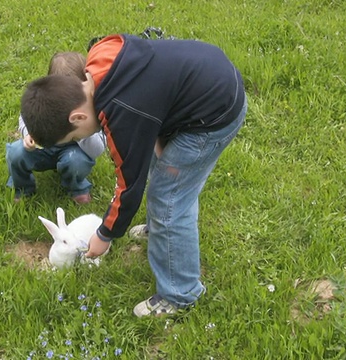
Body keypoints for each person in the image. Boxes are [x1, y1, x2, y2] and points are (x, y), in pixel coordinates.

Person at [20, 34, 247, 317]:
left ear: (77, 118)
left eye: (75, 136)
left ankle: (181, 293)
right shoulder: (97, 60)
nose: (83, 137)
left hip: (214, 113)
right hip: (205, 75)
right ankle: (160, 232)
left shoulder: (122, 116)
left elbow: (129, 187)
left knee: (170, 199)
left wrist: (105, 234)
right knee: (158, 166)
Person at [5, 52, 105, 204]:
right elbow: (26, 116)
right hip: (42, 146)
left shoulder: (91, 111)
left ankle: (76, 187)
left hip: (72, 150)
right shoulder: (45, 101)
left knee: (76, 161)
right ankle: (23, 188)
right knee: (16, 153)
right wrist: (28, 134)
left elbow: (97, 149)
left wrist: (81, 133)